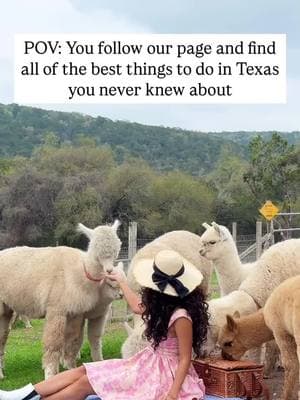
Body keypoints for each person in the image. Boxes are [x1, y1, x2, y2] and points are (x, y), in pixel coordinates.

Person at [0, 249, 209, 400]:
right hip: (148, 363)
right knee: (83, 370)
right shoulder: (163, 305)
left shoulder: (181, 317)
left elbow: (184, 359)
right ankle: (24, 393)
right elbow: (137, 307)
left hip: (164, 375)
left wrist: (172, 394)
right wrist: (121, 282)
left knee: (86, 383)